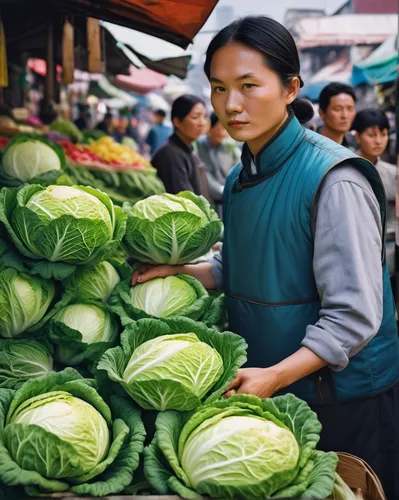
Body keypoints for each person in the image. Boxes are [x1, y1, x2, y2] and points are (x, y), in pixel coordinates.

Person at [131, 16, 399, 499]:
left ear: (291, 88)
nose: (230, 104)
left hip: (341, 397)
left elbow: (356, 315)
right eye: (218, 88)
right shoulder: (239, 177)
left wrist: (275, 374)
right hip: (275, 387)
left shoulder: (335, 179)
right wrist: (181, 269)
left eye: (248, 85)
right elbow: (243, 266)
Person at [352, 108, 397, 277]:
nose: (378, 141)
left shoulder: (393, 173)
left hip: (390, 251)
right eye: (371, 135)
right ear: (357, 136)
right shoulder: (345, 168)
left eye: (383, 134)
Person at [151, 94, 209, 195]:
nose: (202, 123)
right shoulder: (170, 155)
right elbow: (183, 199)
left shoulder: (187, 149)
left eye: (204, 117)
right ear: (177, 122)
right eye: (195, 117)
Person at [197, 112, 240, 213]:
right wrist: (222, 190)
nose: (221, 132)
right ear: (210, 128)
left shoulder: (230, 146)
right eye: (218, 128)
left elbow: (238, 167)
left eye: (224, 129)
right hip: (211, 198)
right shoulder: (201, 145)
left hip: (230, 195)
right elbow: (205, 174)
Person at [318, 82, 357, 150]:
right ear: (322, 113)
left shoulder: (353, 147)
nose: (345, 116)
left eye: (350, 109)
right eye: (338, 109)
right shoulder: (309, 144)